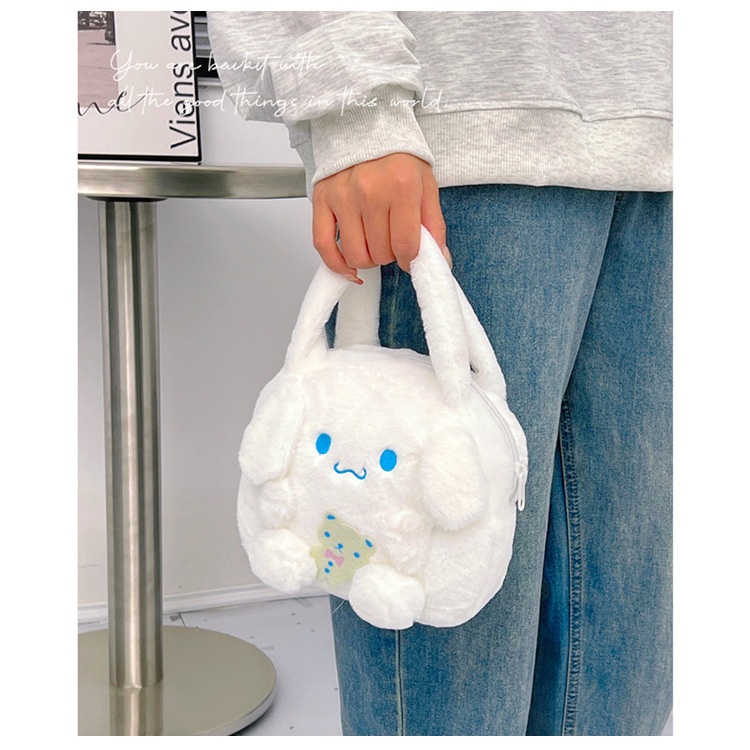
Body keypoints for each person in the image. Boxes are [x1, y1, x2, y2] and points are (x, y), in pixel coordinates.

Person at [207, 11, 672, 736]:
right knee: (438, 585)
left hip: (665, 140)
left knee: (630, 611)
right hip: (466, 126)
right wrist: (355, 106)